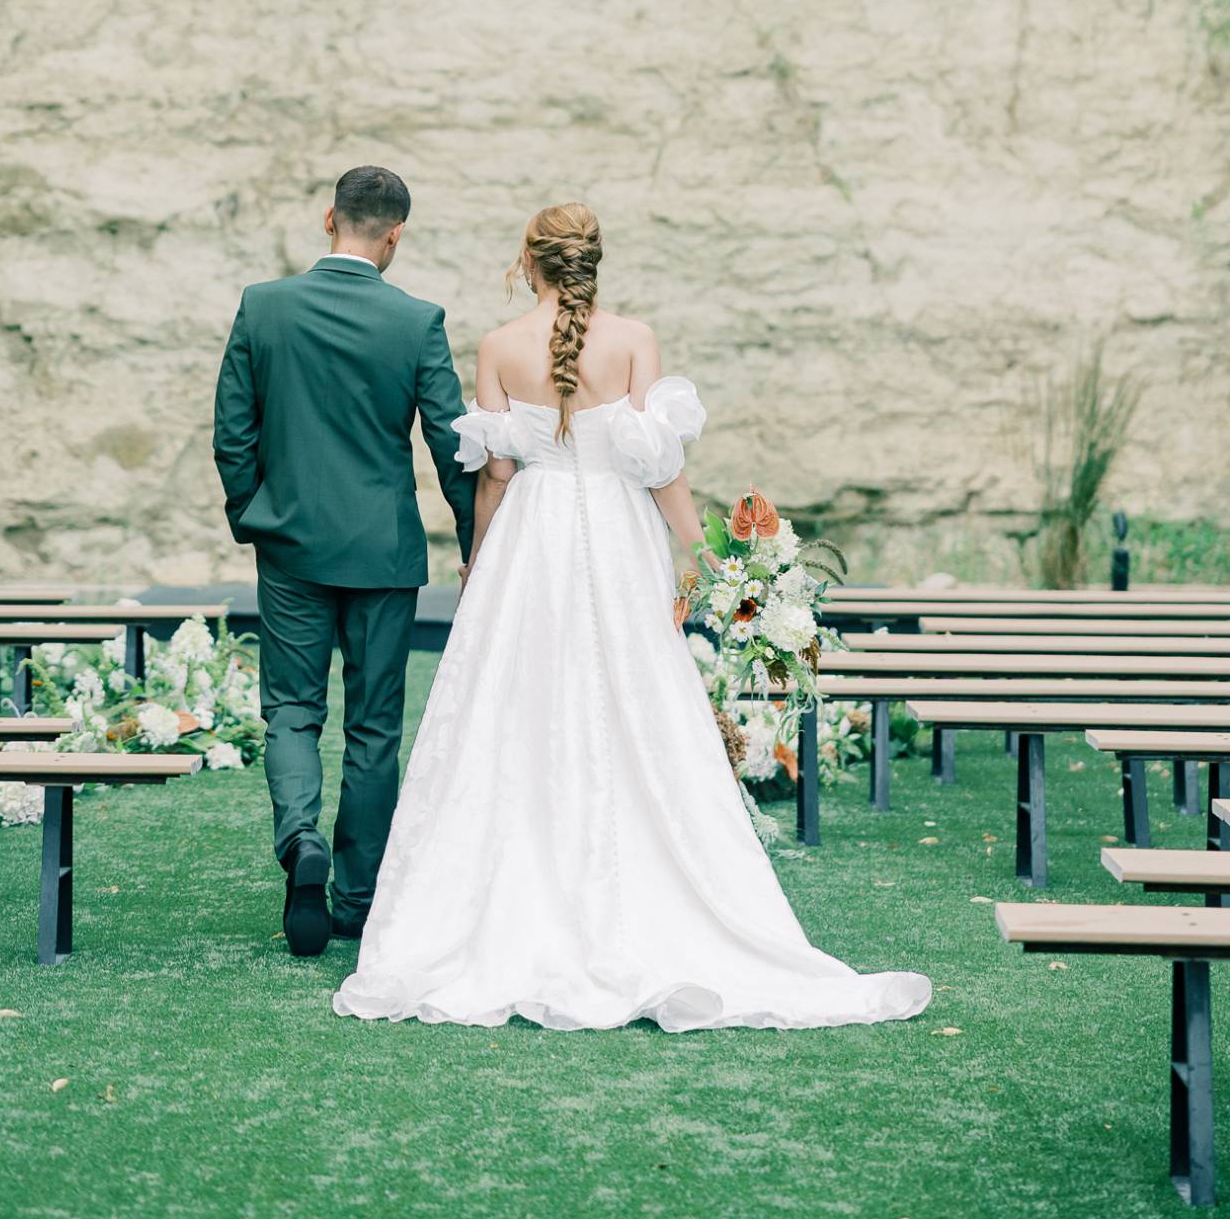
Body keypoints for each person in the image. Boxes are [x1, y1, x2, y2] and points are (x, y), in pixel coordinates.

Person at [333, 201, 932, 1032]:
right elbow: (660, 469)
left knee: (517, 708)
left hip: (529, 545)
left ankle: (513, 899)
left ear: (529, 261)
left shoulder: (499, 345)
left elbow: (495, 476)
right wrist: (710, 557)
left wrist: (477, 565)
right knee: (635, 700)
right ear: (593, 262)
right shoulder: (634, 340)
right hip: (617, 540)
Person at [213, 164, 475, 957]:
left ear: (329, 219)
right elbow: (452, 446)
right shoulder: (418, 322)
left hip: (290, 546)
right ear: (396, 235)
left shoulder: (263, 306)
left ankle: (301, 841)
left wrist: (254, 516)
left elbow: (232, 432)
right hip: (383, 555)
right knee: (373, 728)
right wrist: (478, 543)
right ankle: (356, 901)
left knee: (292, 710)